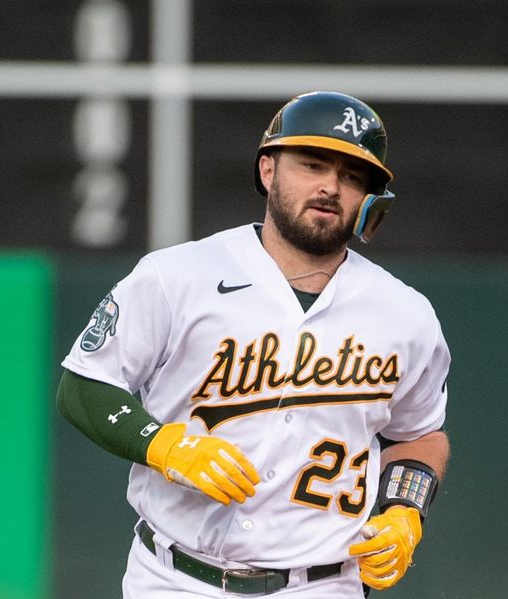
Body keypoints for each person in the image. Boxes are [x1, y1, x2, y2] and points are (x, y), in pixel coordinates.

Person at [57, 91, 451, 598]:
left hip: (323, 584)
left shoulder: (406, 314)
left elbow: (419, 434)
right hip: (173, 577)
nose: (331, 186)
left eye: (353, 176)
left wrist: (404, 510)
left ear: (371, 198)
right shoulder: (176, 276)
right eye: (312, 164)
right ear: (268, 171)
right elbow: (84, 384)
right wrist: (162, 444)